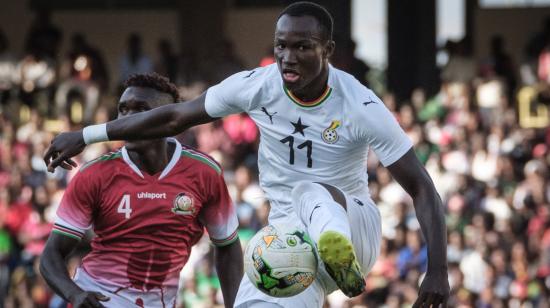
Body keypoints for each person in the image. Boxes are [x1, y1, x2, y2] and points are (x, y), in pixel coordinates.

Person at [44, 2, 449, 307]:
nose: (288, 57)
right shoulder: (257, 85)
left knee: (308, 191)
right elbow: (174, 118)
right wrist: (88, 133)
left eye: (302, 47)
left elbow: (422, 188)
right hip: (290, 245)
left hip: (355, 229)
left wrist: (437, 270)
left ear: (328, 49)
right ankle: (326, 259)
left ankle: (335, 245)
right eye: (281, 47)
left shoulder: (361, 106)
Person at [40, 73, 243, 308]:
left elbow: (227, 246)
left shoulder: (204, 172)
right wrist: (75, 294)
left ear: (169, 119)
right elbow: (51, 255)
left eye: (141, 109)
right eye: (123, 109)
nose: (128, 119)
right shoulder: (94, 174)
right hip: (99, 299)